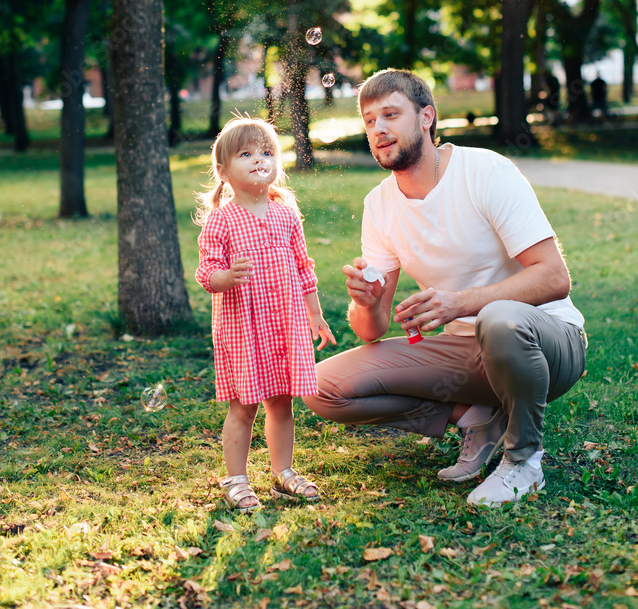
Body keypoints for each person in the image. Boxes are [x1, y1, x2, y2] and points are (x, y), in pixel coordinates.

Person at [304, 70, 586, 507]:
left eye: (391, 115)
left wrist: (458, 303)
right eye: (369, 120)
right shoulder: (380, 204)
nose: (378, 128)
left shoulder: (485, 170)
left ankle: (524, 461)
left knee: (499, 318)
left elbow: (553, 276)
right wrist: (365, 302)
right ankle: (477, 418)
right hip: (468, 357)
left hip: (547, 343)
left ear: (426, 117)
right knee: (320, 386)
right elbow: (371, 330)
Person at [195, 116, 336, 513]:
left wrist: (316, 315)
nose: (259, 159)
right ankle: (236, 478)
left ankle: (283, 472)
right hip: (244, 327)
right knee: (243, 405)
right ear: (223, 171)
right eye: (246, 154)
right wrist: (225, 276)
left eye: (267, 152)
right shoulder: (222, 219)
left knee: (281, 402)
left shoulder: (285, 213)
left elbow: (303, 268)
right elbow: (206, 272)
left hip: (284, 322)